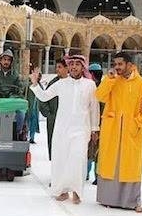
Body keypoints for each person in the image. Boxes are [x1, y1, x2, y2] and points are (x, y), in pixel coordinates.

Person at [29, 55, 100, 204]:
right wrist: (35, 84)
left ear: (82, 67)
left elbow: (94, 108)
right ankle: (61, 191)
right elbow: (44, 96)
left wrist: (95, 129)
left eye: (77, 64)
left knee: (78, 159)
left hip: (82, 129)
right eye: (71, 64)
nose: (73, 67)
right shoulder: (61, 84)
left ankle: (77, 192)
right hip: (62, 128)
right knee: (61, 159)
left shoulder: (89, 85)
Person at [95, 52, 142, 213]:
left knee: (129, 165)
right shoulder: (113, 81)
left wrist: (137, 123)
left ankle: (131, 201)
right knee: (111, 163)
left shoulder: (141, 84)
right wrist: (109, 80)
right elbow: (99, 96)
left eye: (120, 64)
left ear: (129, 64)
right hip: (112, 129)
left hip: (131, 132)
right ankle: (108, 199)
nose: (117, 67)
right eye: (115, 64)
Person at [0, 50, 27, 138]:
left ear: (11, 62)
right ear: (0, 60)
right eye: (4, 59)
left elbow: (20, 87)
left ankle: (19, 131)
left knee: (21, 111)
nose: (6, 62)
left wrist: (17, 93)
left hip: (11, 99)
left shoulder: (15, 75)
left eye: (8, 60)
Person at [39, 59, 68, 159]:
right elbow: (43, 100)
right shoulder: (53, 83)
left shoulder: (71, 83)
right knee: (54, 142)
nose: (57, 70)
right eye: (56, 67)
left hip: (67, 119)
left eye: (59, 67)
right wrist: (49, 114)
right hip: (54, 117)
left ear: (66, 68)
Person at [88, 63, 105, 184]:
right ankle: (97, 176)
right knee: (98, 151)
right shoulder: (104, 86)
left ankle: (87, 174)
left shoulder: (92, 88)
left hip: (93, 124)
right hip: (101, 124)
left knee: (90, 150)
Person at [27, 70, 40, 144]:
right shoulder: (28, 86)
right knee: (27, 123)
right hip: (29, 107)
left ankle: (32, 138)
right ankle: (26, 136)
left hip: (35, 109)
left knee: (34, 124)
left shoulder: (39, 86)